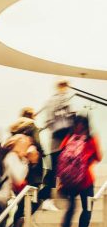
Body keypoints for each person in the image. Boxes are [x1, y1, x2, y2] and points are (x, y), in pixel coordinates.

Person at [57, 115, 102, 227]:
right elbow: (99, 157)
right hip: (86, 181)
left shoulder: (69, 138)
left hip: (69, 183)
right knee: (87, 208)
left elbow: (60, 157)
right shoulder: (90, 139)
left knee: (70, 213)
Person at [8, 108, 45, 227]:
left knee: (21, 204)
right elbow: (39, 147)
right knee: (33, 203)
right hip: (32, 172)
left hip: (19, 174)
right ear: (32, 116)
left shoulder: (15, 131)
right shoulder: (32, 127)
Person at [38, 79, 75, 211]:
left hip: (61, 143)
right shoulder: (58, 101)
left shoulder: (65, 101)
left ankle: (52, 197)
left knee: (58, 170)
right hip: (59, 143)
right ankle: (47, 198)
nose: (65, 89)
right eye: (64, 86)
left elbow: (49, 122)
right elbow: (50, 121)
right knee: (55, 170)